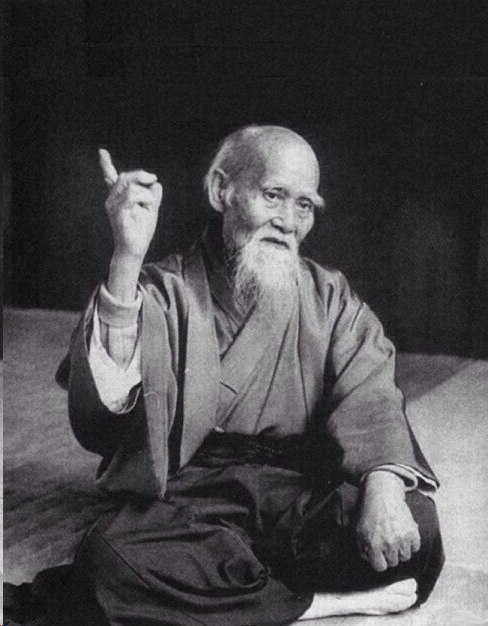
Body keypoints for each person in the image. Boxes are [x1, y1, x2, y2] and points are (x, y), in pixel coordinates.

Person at [64, 125, 443, 625]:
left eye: (304, 206)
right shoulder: (165, 288)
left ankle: (234, 590)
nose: (288, 222)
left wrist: (384, 493)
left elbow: (371, 395)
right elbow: (104, 416)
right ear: (221, 190)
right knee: (114, 557)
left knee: (417, 526)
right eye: (273, 196)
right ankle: (317, 604)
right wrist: (127, 257)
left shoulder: (328, 295)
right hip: (194, 491)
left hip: (296, 485)